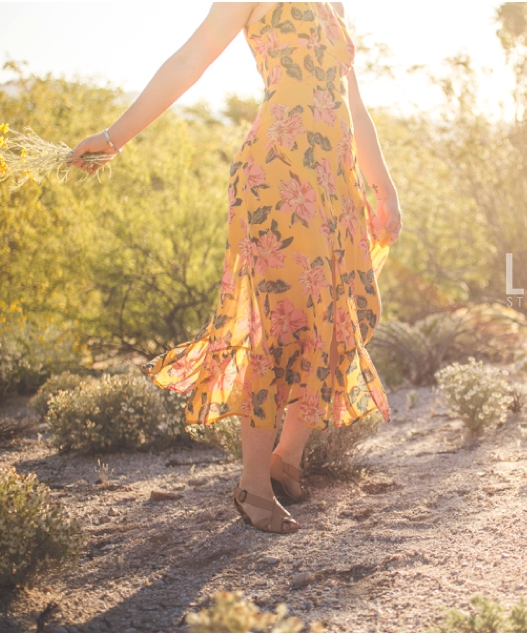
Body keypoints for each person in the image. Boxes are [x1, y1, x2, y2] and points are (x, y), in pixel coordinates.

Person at [69, 2, 402, 535]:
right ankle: (254, 483)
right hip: (278, 173)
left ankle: (287, 458)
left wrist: (382, 185)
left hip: (335, 181)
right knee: (280, 323)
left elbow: (352, 104)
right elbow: (190, 60)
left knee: (352, 312)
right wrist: (114, 138)